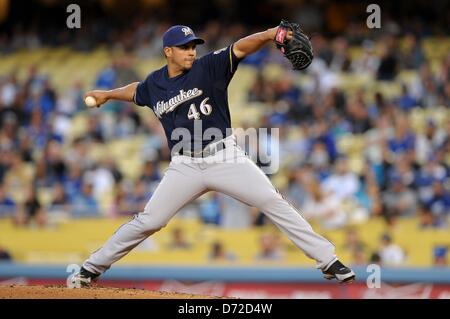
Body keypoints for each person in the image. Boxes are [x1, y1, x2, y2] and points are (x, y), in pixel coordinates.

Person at [70, 24, 355, 287]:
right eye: (184, 47)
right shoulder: (154, 84)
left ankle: (328, 260)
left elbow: (240, 47)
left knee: (271, 200)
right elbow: (136, 91)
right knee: (150, 220)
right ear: (168, 51)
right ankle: (90, 268)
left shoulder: (209, 67)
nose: (191, 51)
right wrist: (107, 94)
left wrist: (270, 34)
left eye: (193, 46)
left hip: (225, 157)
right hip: (185, 165)